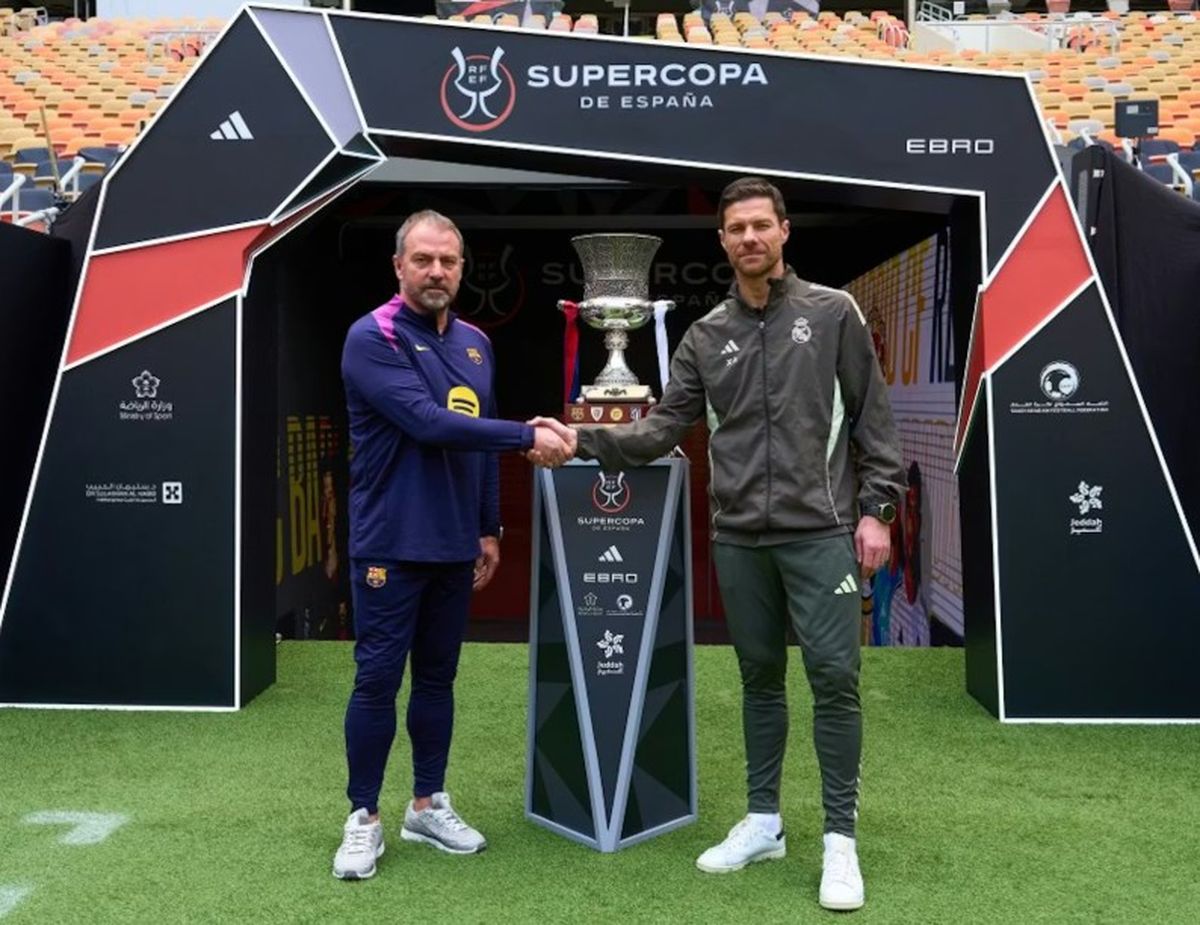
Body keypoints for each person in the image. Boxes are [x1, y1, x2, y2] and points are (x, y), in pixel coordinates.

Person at [532, 178, 904, 911]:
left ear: (784, 231)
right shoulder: (707, 334)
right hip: (738, 536)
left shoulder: (832, 313)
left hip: (822, 530)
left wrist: (877, 511)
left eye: (761, 225)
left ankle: (839, 840)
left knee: (834, 680)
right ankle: (764, 820)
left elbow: (873, 420)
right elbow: (663, 427)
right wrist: (584, 440)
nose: (749, 238)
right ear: (724, 241)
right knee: (760, 677)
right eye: (736, 229)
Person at [332, 210, 570, 880]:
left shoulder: (474, 343)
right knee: (378, 680)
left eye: (449, 262)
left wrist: (488, 526)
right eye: (424, 260)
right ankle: (363, 818)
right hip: (388, 542)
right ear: (399, 266)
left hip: (451, 545)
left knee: (438, 678)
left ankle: (427, 802)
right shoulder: (370, 336)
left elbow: (472, 444)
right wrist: (528, 436)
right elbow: (430, 425)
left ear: (464, 269)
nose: (437, 272)